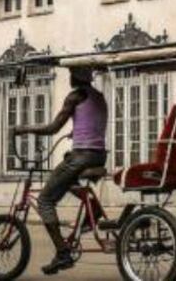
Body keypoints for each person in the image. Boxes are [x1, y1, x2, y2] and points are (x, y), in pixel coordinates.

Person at [11, 67, 107, 276]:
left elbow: (53, 128)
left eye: (72, 73)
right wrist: (77, 131)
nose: (70, 77)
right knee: (65, 170)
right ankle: (92, 206)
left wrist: (24, 129)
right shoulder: (98, 96)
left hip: (82, 156)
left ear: (77, 76)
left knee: (45, 199)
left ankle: (63, 253)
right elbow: (93, 121)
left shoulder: (74, 97)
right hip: (98, 155)